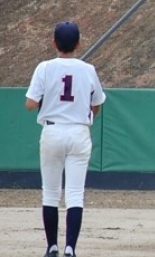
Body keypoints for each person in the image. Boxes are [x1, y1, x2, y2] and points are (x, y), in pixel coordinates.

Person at [25, 21, 107, 257]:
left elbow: (30, 104)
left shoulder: (44, 68)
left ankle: (52, 246)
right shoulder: (88, 69)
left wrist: (49, 101)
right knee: (75, 194)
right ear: (78, 44)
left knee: (50, 193)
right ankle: (70, 248)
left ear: (54, 43)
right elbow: (97, 104)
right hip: (79, 131)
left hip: (53, 130)